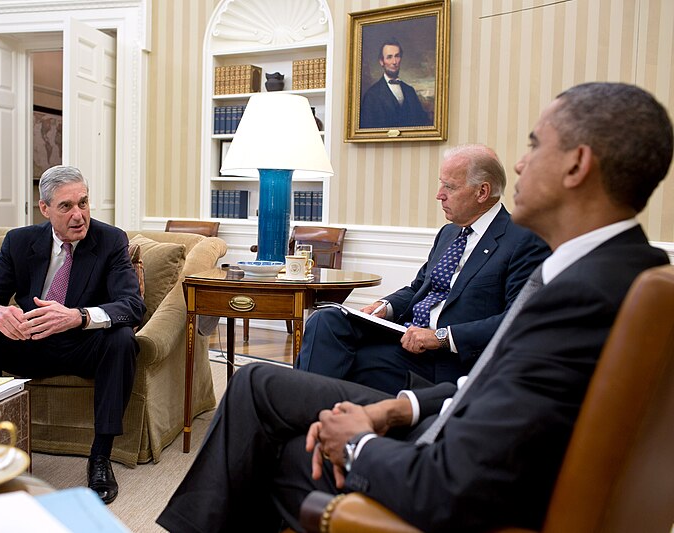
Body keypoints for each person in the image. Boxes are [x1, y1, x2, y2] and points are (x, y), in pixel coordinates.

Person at [157, 82, 673, 532]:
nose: (519, 162)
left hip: (442, 474)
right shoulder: (614, 271)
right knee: (264, 377)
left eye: (535, 145)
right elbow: (501, 386)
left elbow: (453, 480)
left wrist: (358, 443)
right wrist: (401, 406)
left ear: (577, 164)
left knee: (278, 444)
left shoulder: (587, 294)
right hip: (440, 413)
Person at [0, 165, 144, 504]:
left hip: (83, 343)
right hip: (30, 342)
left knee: (122, 340)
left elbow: (131, 305)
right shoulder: (19, 241)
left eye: (84, 203)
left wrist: (78, 317)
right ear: (45, 208)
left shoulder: (111, 240)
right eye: (66, 206)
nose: (79, 215)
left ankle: (100, 457)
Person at [297, 144, 549, 392]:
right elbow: (420, 288)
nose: (439, 194)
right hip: (405, 334)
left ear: (482, 192)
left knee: (345, 362)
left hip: (446, 358)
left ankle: (300, 412)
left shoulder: (523, 238)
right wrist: (385, 306)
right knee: (325, 320)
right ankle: (305, 409)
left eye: (449, 186)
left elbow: (516, 319)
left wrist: (441, 337)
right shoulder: (449, 233)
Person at [359, 38, 432, 129]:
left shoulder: (410, 91)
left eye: (397, 56)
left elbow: (422, 124)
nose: (394, 62)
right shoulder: (371, 95)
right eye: (389, 57)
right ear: (381, 62)